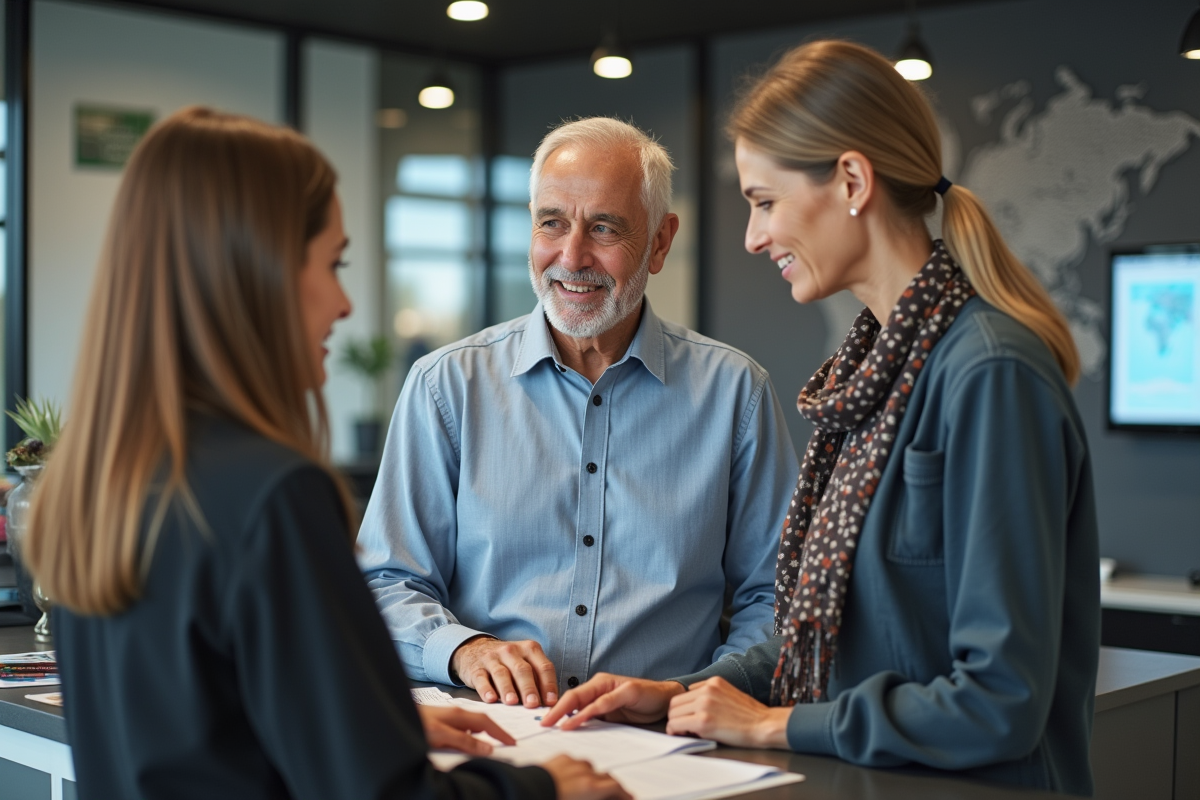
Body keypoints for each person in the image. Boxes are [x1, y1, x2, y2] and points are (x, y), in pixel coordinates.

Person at [541, 40, 1100, 797]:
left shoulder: (989, 373)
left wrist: (773, 725)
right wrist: (685, 693)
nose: (753, 235)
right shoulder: (870, 382)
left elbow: (1000, 703)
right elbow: (828, 633)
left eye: (764, 201)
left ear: (851, 181)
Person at [24, 107, 627, 800]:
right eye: (332, 264)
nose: (344, 304)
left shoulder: (95, 481)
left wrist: (368, 727)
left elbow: (192, 733)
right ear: (257, 271)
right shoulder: (270, 496)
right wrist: (539, 788)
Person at [357, 117, 800, 709]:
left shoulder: (735, 394)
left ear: (661, 241)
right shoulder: (446, 386)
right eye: (552, 223)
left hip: (671, 744)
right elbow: (385, 582)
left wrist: (695, 697)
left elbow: (776, 596)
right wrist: (464, 650)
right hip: (495, 739)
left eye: (604, 228)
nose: (571, 255)